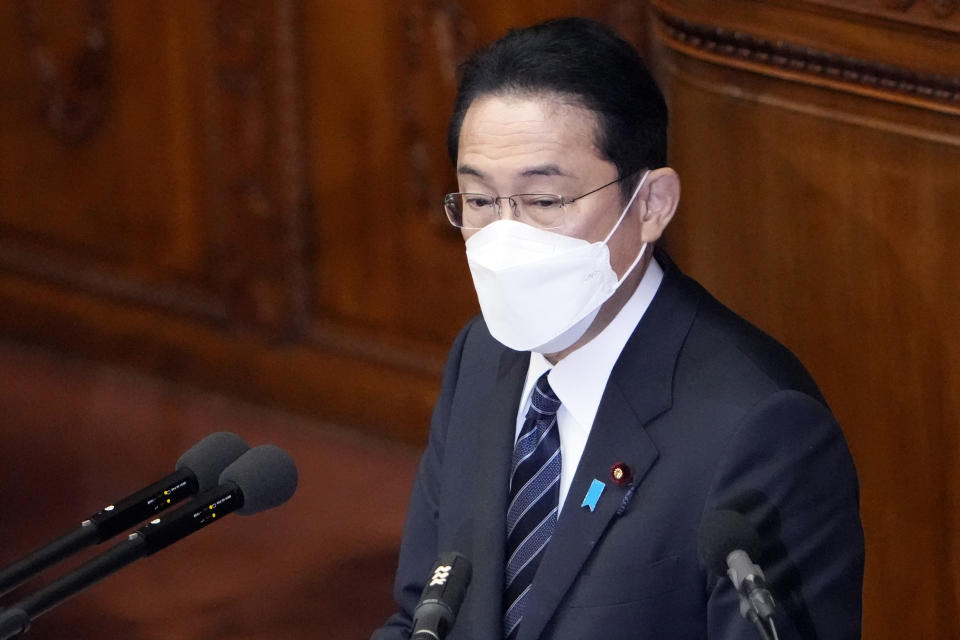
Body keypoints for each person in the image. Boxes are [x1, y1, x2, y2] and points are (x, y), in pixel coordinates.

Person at [372, 16, 863, 640]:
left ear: (652, 203)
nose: (505, 237)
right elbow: (421, 615)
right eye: (479, 201)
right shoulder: (483, 353)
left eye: (545, 202)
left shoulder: (763, 429)